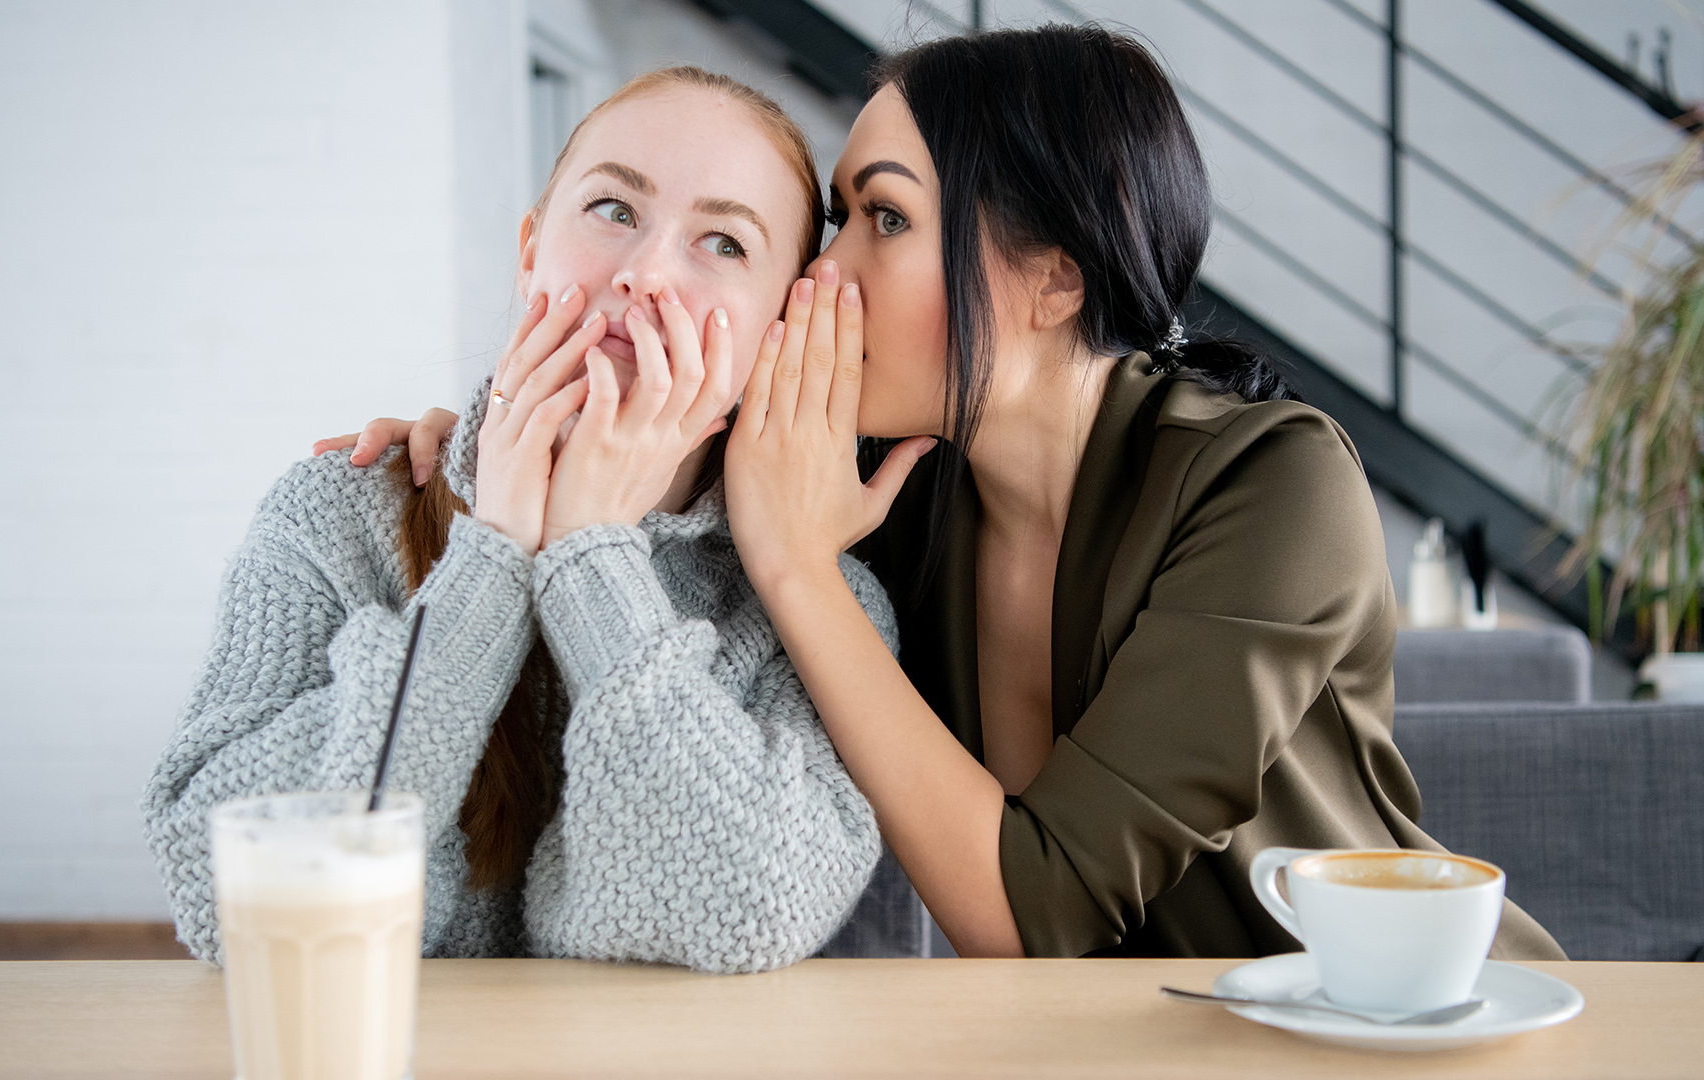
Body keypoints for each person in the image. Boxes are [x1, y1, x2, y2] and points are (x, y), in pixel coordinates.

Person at [335, 27, 1565, 961]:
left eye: (883, 220)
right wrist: (487, 448)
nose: (825, 270)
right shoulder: (899, 487)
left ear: (1050, 281)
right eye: (837, 219)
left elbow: (1033, 912)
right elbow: (654, 497)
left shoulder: (1272, 483)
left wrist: (799, 573)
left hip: (1380, 1030)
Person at [143, 66, 901, 976]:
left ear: (778, 328)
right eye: (615, 210)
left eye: (724, 243)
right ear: (530, 251)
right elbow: (229, 897)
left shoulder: (817, 603)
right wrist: (492, 563)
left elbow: (745, 910)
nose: (646, 273)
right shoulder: (334, 514)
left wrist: (592, 560)